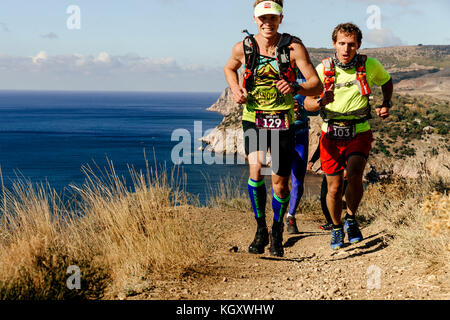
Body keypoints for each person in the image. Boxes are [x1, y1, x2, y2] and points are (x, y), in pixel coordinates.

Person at [224, 0, 322, 257]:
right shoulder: (243, 48)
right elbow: (229, 68)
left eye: (273, 18)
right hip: (254, 118)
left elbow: (316, 84)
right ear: (255, 19)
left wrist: (296, 87)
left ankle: (277, 228)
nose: (267, 23)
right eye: (263, 18)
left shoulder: (293, 47)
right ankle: (260, 229)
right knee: (255, 170)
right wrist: (235, 89)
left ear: (281, 19)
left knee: (280, 184)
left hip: (283, 121)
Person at [304, 23, 393, 250]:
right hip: (330, 134)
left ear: (358, 45)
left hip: (359, 131)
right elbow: (307, 103)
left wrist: (386, 103)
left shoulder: (370, 65)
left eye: (351, 44)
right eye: (342, 43)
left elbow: (386, 81)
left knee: (354, 175)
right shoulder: (323, 70)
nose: (346, 49)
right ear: (334, 44)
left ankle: (351, 220)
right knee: (333, 188)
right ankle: (336, 227)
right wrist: (319, 101)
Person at [285, 75, 319, 234]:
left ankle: (290, 216)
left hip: (301, 134)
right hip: (279, 134)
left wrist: (302, 108)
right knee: (280, 179)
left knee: (298, 179)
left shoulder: (307, 76)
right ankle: (278, 218)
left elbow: (316, 107)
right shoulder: (272, 72)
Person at [307, 141, 348, 231]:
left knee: (336, 198)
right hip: (330, 170)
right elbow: (320, 148)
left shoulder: (344, 130)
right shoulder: (325, 130)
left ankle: (348, 214)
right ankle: (331, 222)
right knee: (323, 198)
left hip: (343, 170)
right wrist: (312, 161)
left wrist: (347, 168)